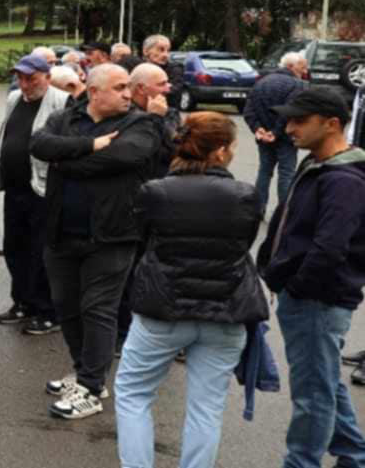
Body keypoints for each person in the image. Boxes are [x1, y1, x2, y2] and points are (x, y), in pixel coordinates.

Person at [114, 112, 269, 468]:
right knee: (207, 409)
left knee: (134, 395)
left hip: (163, 309)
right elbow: (242, 244)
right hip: (225, 310)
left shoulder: (155, 192)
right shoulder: (246, 195)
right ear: (218, 152)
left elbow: (143, 238)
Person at [30, 64, 163, 420]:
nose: (127, 93)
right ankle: (84, 370)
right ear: (94, 91)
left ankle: (90, 387)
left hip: (112, 236)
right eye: (119, 87)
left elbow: (126, 156)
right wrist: (88, 145)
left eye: (128, 87)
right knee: (66, 306)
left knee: (98, 308)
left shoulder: (141, 123)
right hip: (62, 232)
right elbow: (40, 144)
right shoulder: (65, 118)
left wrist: (67, 162)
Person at [257, 86, 365, 468]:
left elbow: (329, 248)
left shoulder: (344, 179)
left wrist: (297, 286)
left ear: (332, 123)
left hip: (318, 299)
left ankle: (301, 463)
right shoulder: (317, 164)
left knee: (312, 394)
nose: (289, 128)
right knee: (326, 382)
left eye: (299, 121)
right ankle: (354, 455)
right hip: (308, 296)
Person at [0, 54, 71, 335]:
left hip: (42, 190)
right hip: (15, 187)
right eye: (21, 78)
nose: (25, 84)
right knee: (15, 247)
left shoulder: (61, 102)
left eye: (32, 78)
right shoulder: (14, 98)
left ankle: (48, 310)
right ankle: (23, 302)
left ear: (47, 77)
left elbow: (67, 146)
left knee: (41, 252)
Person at [244, 51, 308, 215]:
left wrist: (257, 128)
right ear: (290, 66)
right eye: (302, 67)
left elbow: (249, 111)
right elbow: (289, 112)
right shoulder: (298, 85)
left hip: (264, 136)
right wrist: (276, 132)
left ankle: (258, 209)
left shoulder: (261, 83)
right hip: (286, 138)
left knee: (264, 171)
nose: (305, 71)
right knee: (286, 174)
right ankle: (284, 212)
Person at [142, 35, 184, 111]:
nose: (165, 55)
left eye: (168, 51)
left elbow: (174, 92)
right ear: (145, 51)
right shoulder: (138, 68)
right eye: (161, 50)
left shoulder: (175, 69)